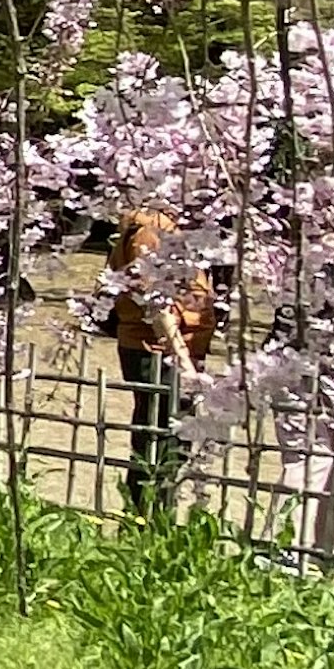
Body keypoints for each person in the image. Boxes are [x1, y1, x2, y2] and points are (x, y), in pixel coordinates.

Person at [105, 199, 217, 514]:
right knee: (160, 438)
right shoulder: (151, 230)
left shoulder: (169, 226)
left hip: (177, 348)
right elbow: (156, 303)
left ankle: (153, 516)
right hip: (156, 351)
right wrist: (182, 359)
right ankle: (146, 518)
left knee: (171, 438)